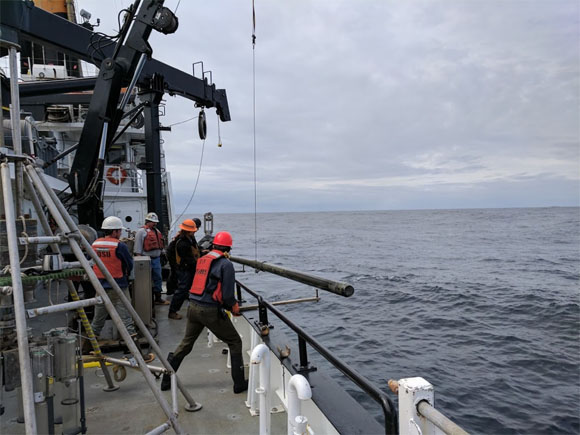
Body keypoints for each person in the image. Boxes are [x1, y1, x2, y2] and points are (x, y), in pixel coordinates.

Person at [160, 231, 247, 394]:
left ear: (214, 246)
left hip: (193, 307)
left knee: (186, 344)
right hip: (209, 311)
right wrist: (234, 307)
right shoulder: (226, 264)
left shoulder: (202, 259)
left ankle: (166, 379)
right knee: (235, 342)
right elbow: (228, 295)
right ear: (228, 248)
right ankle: (239, 383)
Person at [90, 216, 136, 338]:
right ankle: (135, 349)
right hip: (118, 285)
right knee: (126, 317)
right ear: (115, 231)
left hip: (100, 286)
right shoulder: (119, 246)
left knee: (98, 318)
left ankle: (90, 345)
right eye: (119, 231)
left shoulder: (95, 243)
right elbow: (129, 264)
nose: (120, 233)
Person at [167, 219, 200, 320]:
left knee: (188, 288)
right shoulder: (182, 243)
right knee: (182, 289)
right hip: (184, 269)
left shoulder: (189, 238)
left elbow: (195, 249)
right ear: (188, 231)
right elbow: (188, 259)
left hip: (189, 268)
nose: (195, 231)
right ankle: (172, 311)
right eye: (193, 230)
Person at [133, 212, 168, 305]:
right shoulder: (141, 232)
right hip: (145, 259)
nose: (155, 224)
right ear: (148, 222)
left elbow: (161, 244)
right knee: (146, 279)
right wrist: (139, 258)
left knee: (158, 277)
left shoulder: (157, 231)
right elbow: (138, 246)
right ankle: (147, 298)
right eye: (153, 222)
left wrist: (163, 253)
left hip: (156, 259)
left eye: (155, 222)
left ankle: (158, 297)